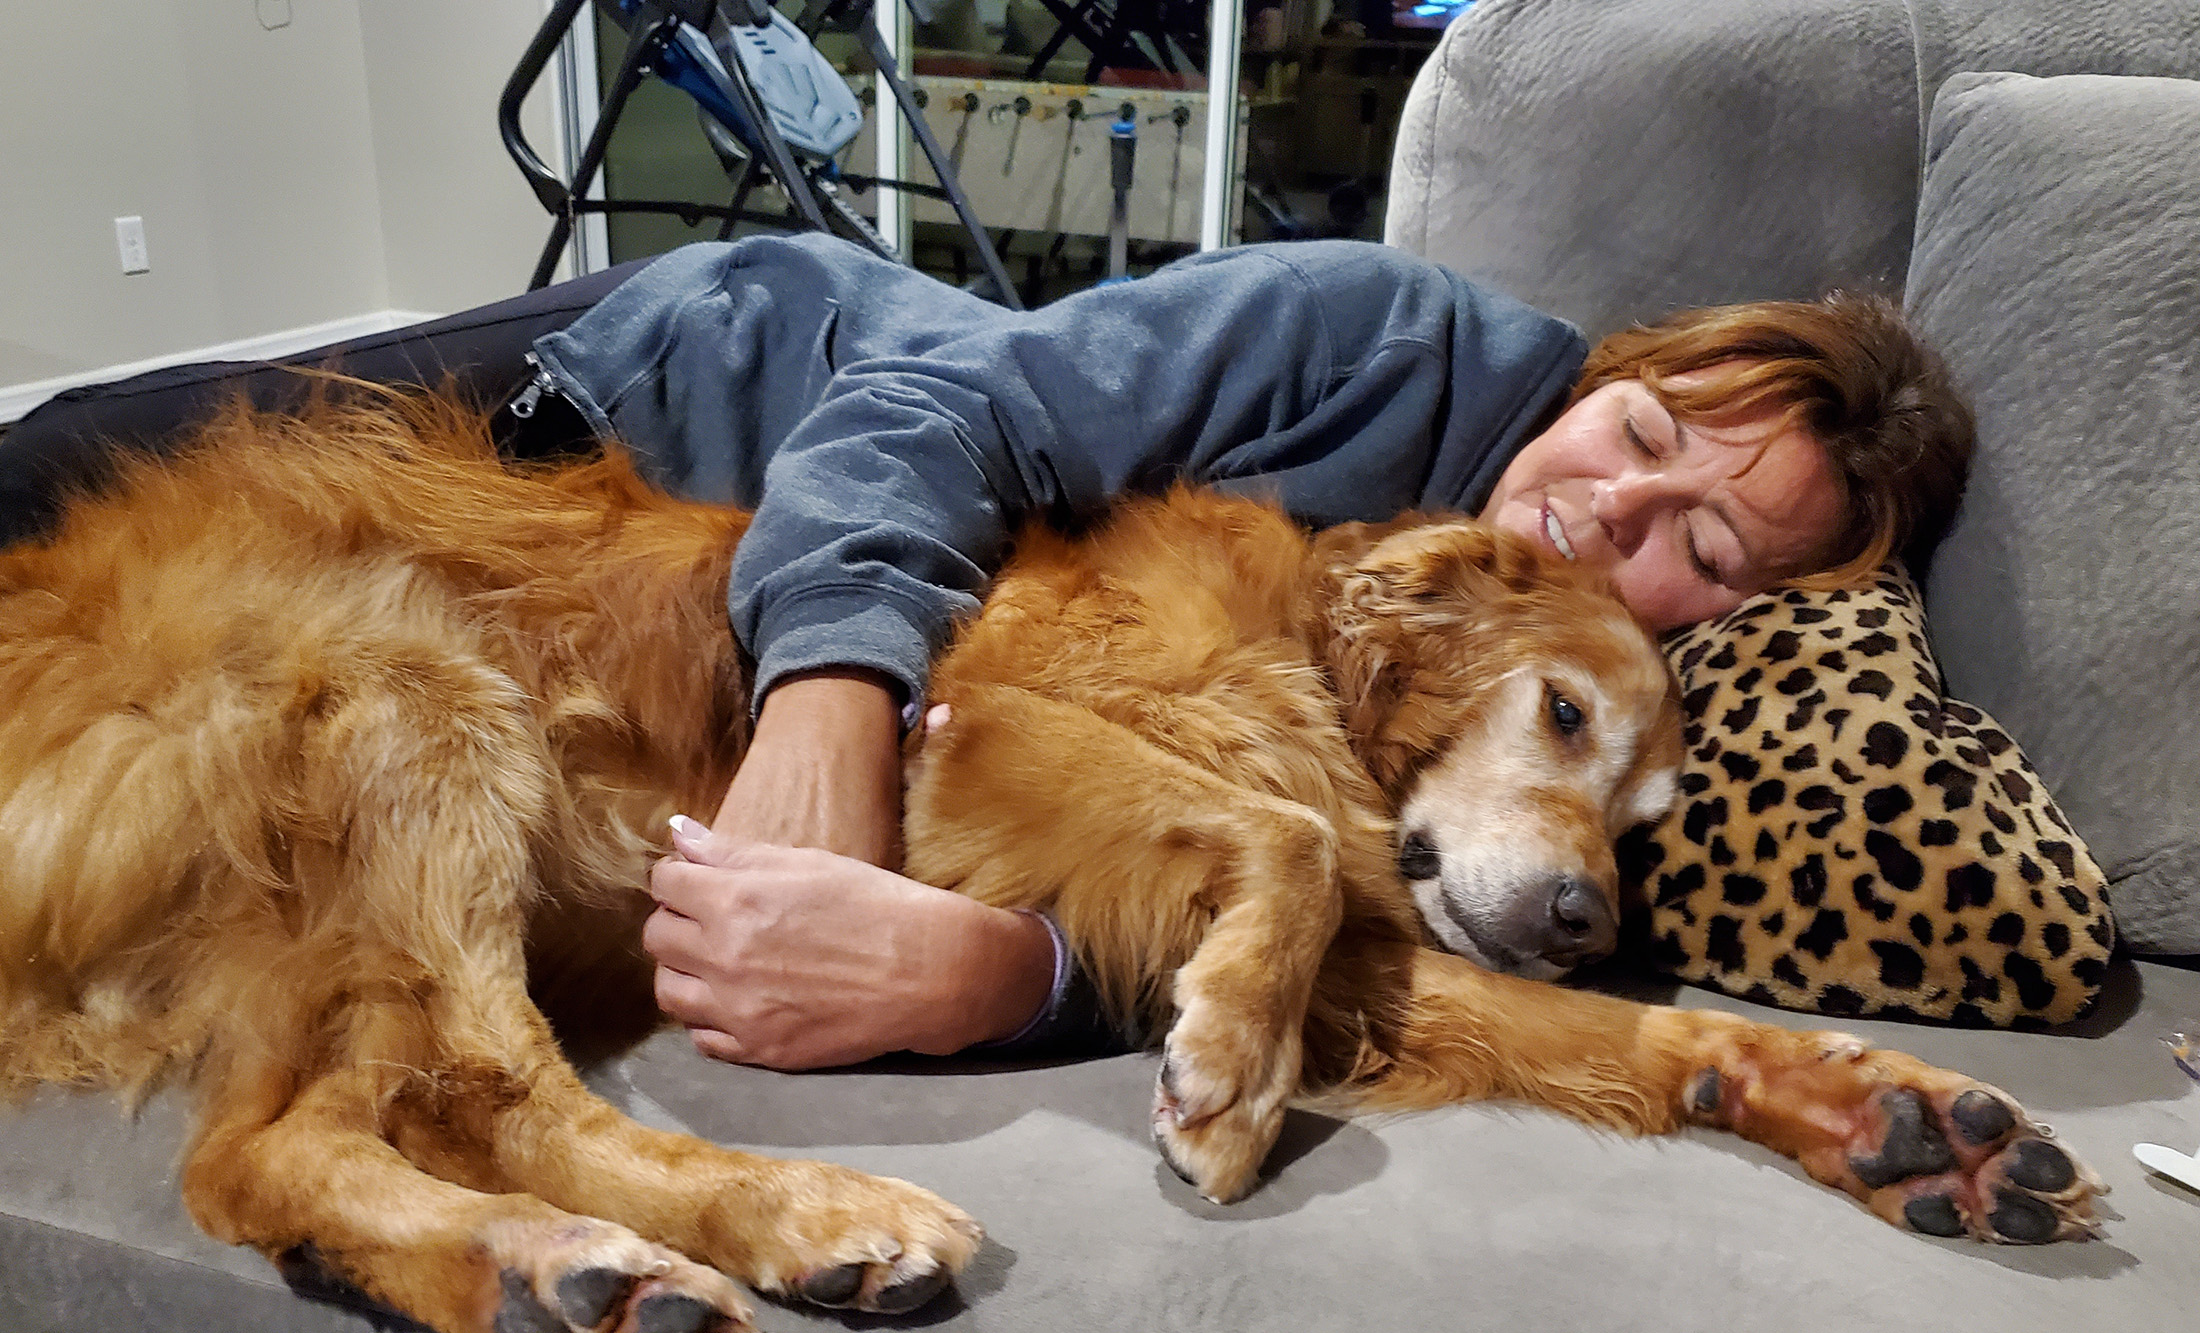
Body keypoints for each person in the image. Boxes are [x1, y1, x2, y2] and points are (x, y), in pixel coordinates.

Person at [0, 231, 1972, 1072]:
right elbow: (942, 411)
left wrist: (1013, 974)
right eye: (1639, 432)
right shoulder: (1386, 337)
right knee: (69, 485)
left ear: (1742, 615)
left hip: (701, 586)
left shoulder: (1557, 724)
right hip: (691, 392)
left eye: (1697, 542)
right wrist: (828, 709)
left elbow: (1237, 910)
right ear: (1609, 369)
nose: (1609, 511)